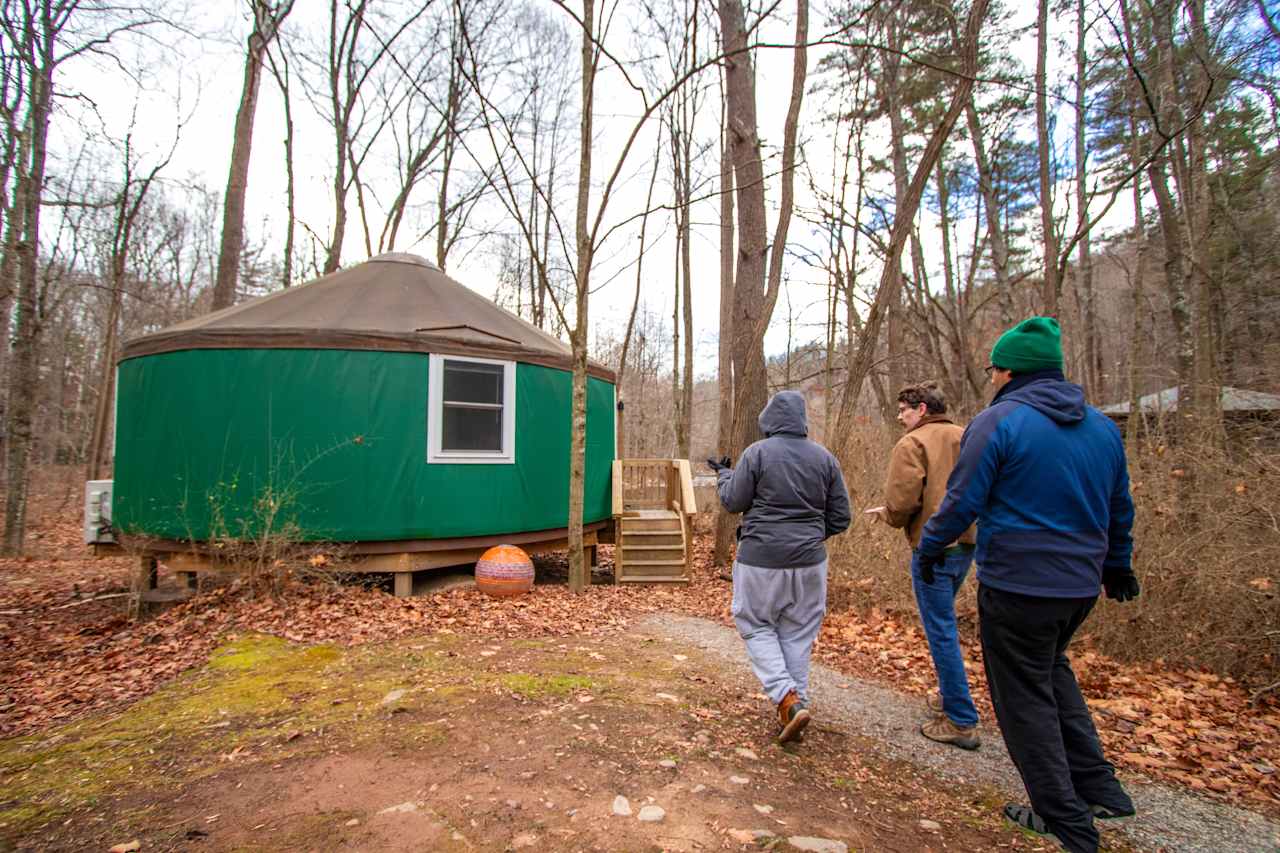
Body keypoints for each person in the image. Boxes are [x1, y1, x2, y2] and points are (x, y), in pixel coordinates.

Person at [916, 317, 1139, 853]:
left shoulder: (1000, 421)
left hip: (1018, 582)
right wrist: (1118, 565)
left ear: (1010, 369)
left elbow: (963, 499)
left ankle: (1066, 822)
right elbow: (1118, 507)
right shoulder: (1102, 427)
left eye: (993, 367)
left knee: (1023, 699)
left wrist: (929, 548)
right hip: (1080, 586)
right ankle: (1102, 788)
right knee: (1052, 672)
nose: (990, 376)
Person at [708, 390, 851, 743]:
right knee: (798, 633)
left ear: (768, 420)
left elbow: (733, 501)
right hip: (809, 563)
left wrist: (724, 475)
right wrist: (810, 537)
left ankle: (786, 696)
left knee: (756, 625)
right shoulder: (825, 459)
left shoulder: (757, 454)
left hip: (761, 559)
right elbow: (840, 517)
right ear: (802, 421)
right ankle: (794, 706)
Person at [866, 383, 980, 750]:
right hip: (968, 543)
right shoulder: (968, 435)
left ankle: (961, 719)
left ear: (922, 409)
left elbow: (902, 501)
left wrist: (888, 515)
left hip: (933, 547)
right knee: (945, 624)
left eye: (904, 410)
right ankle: (951, 699)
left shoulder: (912, 444)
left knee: (940, 629)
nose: (900, 417)